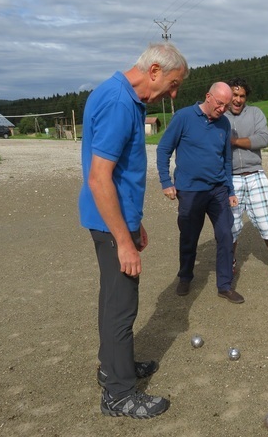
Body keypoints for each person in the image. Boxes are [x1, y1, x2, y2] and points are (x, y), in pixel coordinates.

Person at [79, 42, 188, 418]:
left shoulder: (118, 94)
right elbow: (99, 178)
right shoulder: (119, 102)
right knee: (122, 306)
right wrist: (123, 240)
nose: (172, 94)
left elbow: (121, 173)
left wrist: (134, 222)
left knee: (112, 299)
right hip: (109, 225)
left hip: (113, 221)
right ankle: (119, 394)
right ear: (154, 70)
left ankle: (115, 366)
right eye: (173, 84)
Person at [157, 82, 245, 304]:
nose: (223, 109)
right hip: (190, 190)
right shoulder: (183, 117)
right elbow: (163, 149)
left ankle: (224, 285)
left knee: (226, 234)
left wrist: (230, 189)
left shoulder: (224, 124)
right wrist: (166, 182)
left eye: (226, 105)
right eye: (219, 103)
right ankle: (185, 276)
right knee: (189, 236)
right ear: (208, 96)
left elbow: (226, 160)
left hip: (217, 190)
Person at [224, 77, 268, 281]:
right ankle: (229, 260)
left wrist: (233, 141)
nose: (238, 100)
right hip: (230, 178)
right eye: (234, 95)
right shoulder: (219, 115)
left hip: (255, 175)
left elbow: (264, 139)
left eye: (242, 96)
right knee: (231, 226)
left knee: (267, 223)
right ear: (228, 95)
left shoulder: (255, 113)